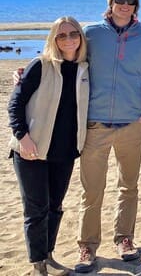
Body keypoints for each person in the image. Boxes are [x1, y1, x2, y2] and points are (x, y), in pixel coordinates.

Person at [75, 0, 141, 272]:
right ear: (110, 3)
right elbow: (70, 68)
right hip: (95, 125)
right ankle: (87, 246)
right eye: (120, 0)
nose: (125, 6)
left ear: (136, 5)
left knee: (128, 186)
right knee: (92, 190)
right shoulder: (90, 34)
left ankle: (124, 238)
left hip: (131, 125)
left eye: (131, 2)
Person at [8, 17, 89, 276]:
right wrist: (23, 137)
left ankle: (49, 256)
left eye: (73, 34)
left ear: (80, 38)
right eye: (61, 35)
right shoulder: (40, 65)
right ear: (53, 39)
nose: (68, 40)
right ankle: (38, 264)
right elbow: (15, 104)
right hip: (31, 149)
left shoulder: (85, 70)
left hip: (64, 151)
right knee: (36, 208)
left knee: (55, 205)